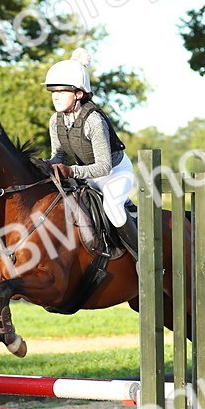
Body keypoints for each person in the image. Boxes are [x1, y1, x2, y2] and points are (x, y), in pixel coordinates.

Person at [43, 48, 139, 260]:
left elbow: (104, 166)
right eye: (53, 92)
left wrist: (70, 170)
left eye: (62, 91)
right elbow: (58, 156)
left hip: (115, 173)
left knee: (112, 207)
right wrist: (44, 165)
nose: (56, 97)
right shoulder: (55, 120)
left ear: (79, 93)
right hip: (87, 176)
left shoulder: (94, 120)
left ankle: (142, 257)